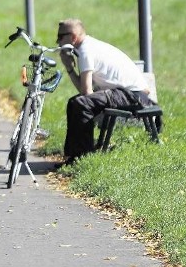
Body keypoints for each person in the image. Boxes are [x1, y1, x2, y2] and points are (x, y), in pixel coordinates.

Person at [56, 18, 155, 166]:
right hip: (128, 93)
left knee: (81, 104)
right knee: (74, 102)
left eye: (60, 37)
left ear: (73, 37)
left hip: (134, 95)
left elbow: (86, 92)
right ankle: (73, 156)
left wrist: (69, 68)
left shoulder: (85, 51)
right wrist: (70, 67)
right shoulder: (88, 46)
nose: (57, 42)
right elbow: (86, 93)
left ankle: (82, 157)